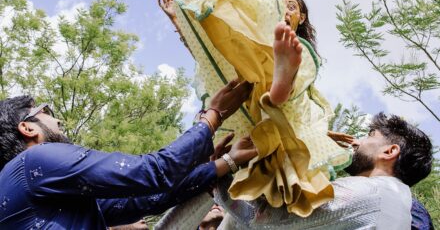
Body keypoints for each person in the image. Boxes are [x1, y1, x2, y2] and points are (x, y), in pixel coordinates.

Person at [143, 0, 351, 216]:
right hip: (251, 102)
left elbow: (310, 102)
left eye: (292, 6)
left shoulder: (300, 52)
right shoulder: (258, 34)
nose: (286, 8)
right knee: (228, 29)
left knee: (282, 92)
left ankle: (279, 85)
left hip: (289, 111)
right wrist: (180, 23)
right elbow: (214, 57)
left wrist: (320, 132)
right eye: (282, 4)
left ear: (302, 18)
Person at [0, 80, 258, 229]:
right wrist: (212, 117)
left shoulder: (55, 194)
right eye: (46, 110)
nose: (57, 120)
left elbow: (148, 199)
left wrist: (227, 162)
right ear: (27, 127)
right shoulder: (35, 162)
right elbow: (151, 171)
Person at [153, 112, 433, 229]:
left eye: (370, 135)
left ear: (390, 151)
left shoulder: (375, 193)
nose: (358, 141)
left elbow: (267, 218)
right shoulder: (396, 201)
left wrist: (224, 168)